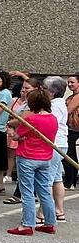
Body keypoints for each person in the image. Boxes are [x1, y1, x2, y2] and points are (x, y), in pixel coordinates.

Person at [6, 89, 59, 235]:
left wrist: (12, 131)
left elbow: (17, 136)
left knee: (27, 192)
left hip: (28, 157)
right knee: (44, 191)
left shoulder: (31, 119)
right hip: (45, 158)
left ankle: (27, 224)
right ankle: (50, 223)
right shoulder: (53, 119)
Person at [44, 76, 69, 222]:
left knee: (46, 179)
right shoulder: (59, 103)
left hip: (54, 145)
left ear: (52, 92)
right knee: (56, 178)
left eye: (45, 89)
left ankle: (42, 213)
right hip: (60, 144)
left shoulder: (55, 105)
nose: (42, 91)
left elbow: (50, 124)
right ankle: (59, 210)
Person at [65, 74, 79, 190]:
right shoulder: (71, 97)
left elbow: (68, 111)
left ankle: (69, 182)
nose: (69, 84)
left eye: (72, 82)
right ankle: (71, 181)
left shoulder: (77, 97)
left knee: (68, 155)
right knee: (71, 154)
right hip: (71, 128)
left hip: (75, 129)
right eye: (68, 82)